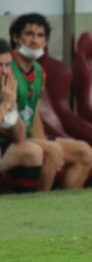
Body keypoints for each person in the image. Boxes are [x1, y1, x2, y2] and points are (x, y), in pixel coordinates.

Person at [8, 13, 92, 190]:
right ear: (16, 37)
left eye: (40, 36)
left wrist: (42, 140)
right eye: (29, 34)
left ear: (45, 42)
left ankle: (65, 206)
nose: (35, 41)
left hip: (29, 137)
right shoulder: (6, 68)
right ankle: (41, 205)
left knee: (85, 152)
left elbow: (34, 114)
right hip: (10, 140)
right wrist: (45, 146)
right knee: (51, 152)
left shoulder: (39, 71)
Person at [0, 40, 46, 193]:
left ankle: (26, 206)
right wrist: (5, 105)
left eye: (8, 65)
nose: (6, 71)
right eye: (1, 65)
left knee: (32, 152)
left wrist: (12, 107)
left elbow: (19, 137)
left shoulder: (4, 88)